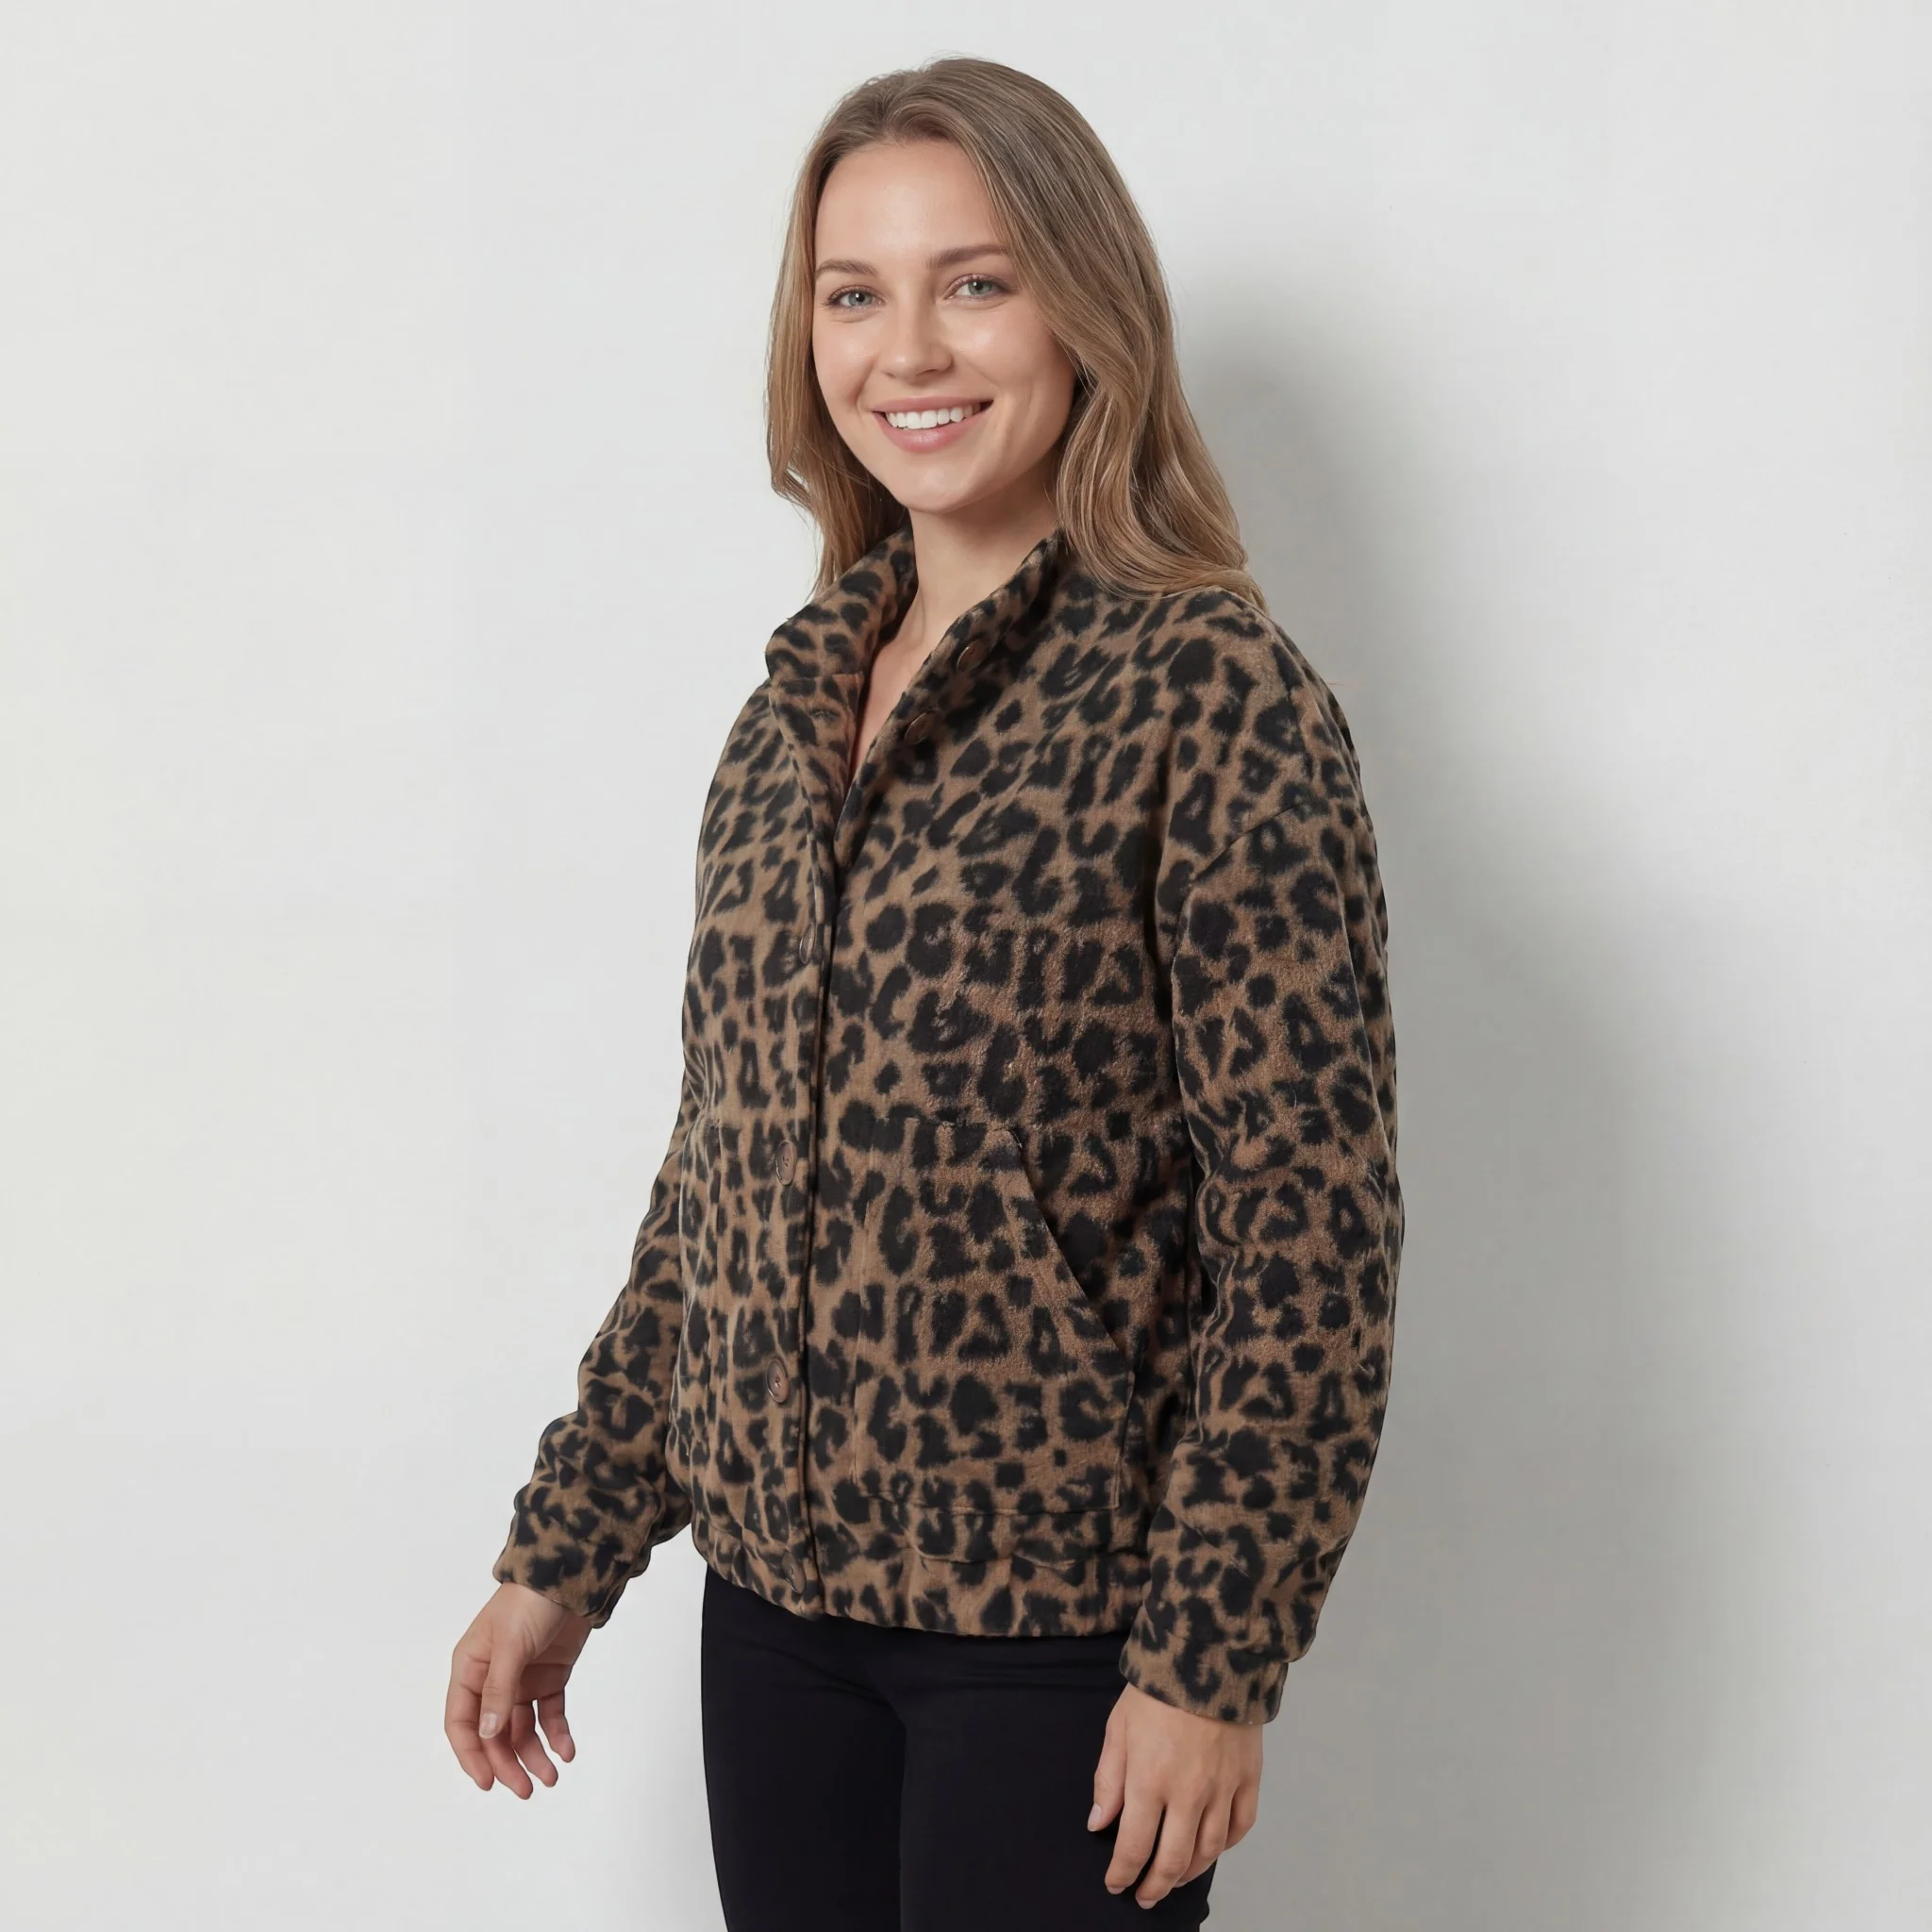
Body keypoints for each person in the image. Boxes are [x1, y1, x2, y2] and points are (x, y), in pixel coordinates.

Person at [444, 54, 1404, 1931]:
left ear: (1082, 307)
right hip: (774, 1629)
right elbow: (720, 1182)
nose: (909, 351)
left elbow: (1310, 1236)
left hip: (1056, 1651)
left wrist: (1213, 1656)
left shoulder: (1210, 700)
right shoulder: (793, 712)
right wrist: (566, 1547)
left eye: (975, 282)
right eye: (853, 293)